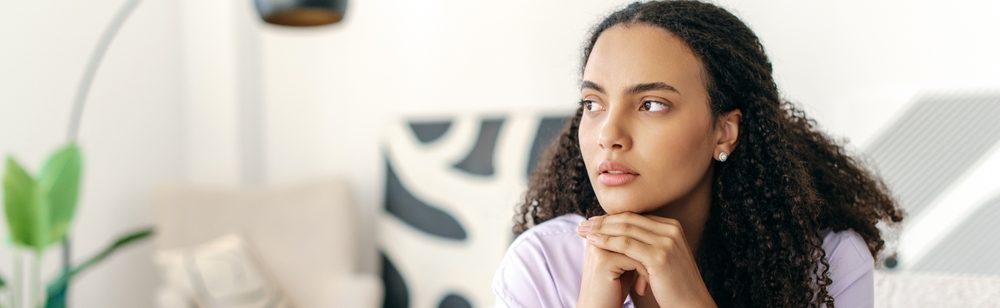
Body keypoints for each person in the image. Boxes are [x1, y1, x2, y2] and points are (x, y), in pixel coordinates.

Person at [492, 1, 904, 307]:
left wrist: (688, 297)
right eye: (593, 104)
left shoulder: (823, 262)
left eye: (651, 104)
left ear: (724, 132)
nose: (608, 135)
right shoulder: (540, 265)